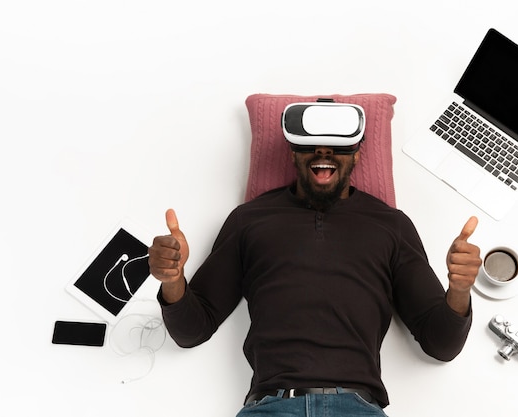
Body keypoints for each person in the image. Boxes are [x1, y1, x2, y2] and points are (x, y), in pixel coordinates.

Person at [148, 135, 482, 416]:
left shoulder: (391, 225)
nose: (324, 152)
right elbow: (192, 330)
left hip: (358, 407)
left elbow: (441, 345)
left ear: (358, 152)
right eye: (311, 143)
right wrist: (172, 279)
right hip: (272, 406)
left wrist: (460, 290)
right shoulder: (249, 220)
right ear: (293, 151)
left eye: (338, 144)